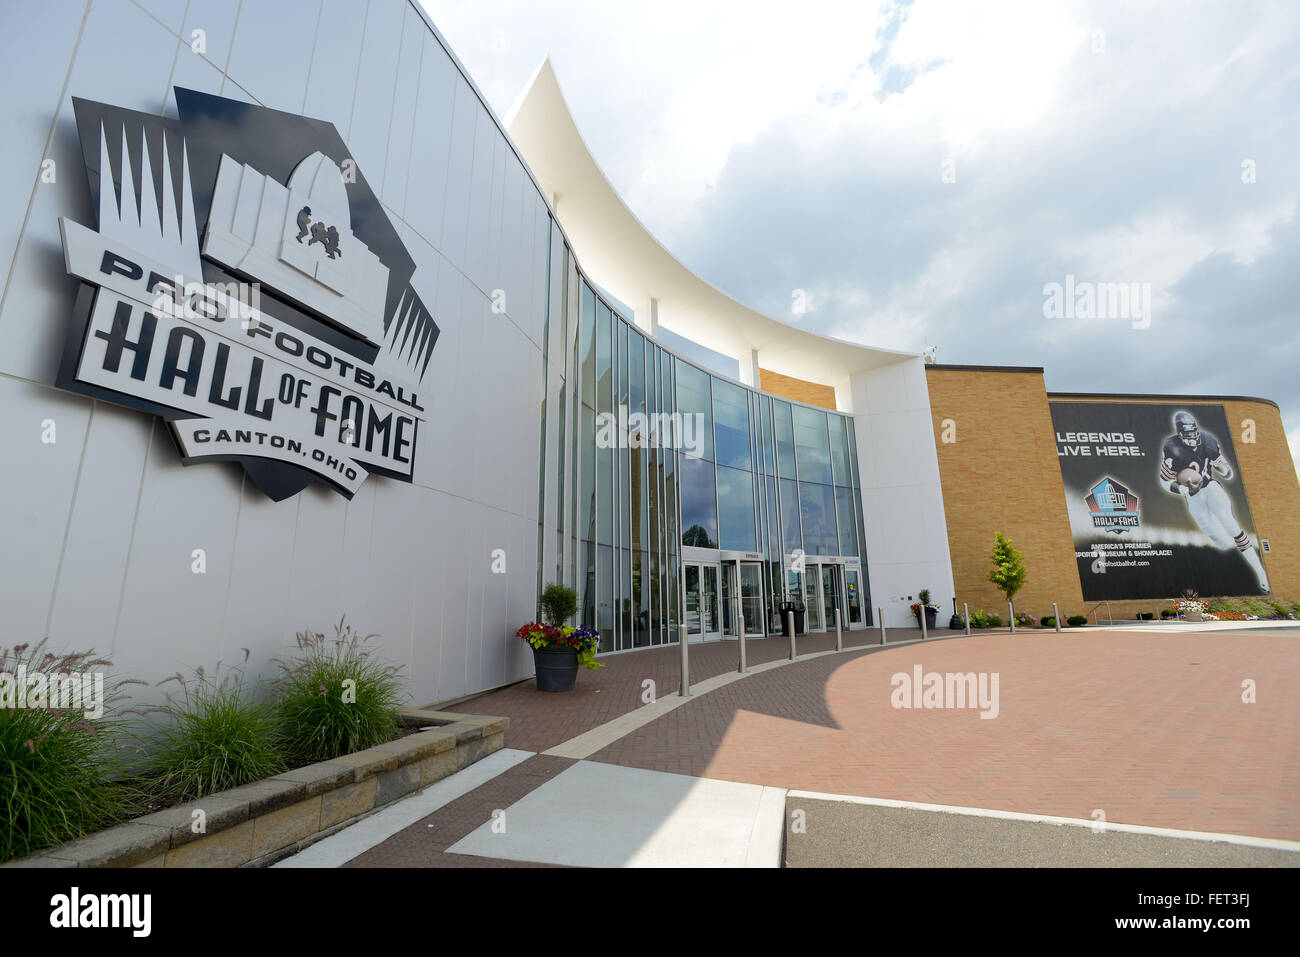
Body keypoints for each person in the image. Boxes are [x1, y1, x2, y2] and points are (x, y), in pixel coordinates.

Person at [1159, 410, 1269, 593]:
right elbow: (1164, 481)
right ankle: (1233, 566)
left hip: (1210, 486)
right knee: (1216, 536)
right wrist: (1184, 488)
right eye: (1186, 433)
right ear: (1179, 433)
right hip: (1192, 495)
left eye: (1193, 432)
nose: (1192, 437)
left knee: (1230, 523)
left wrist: (1223, 469)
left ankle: (1261, 574)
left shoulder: (1208, 441)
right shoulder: (1171, 447)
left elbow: (1227, 471)